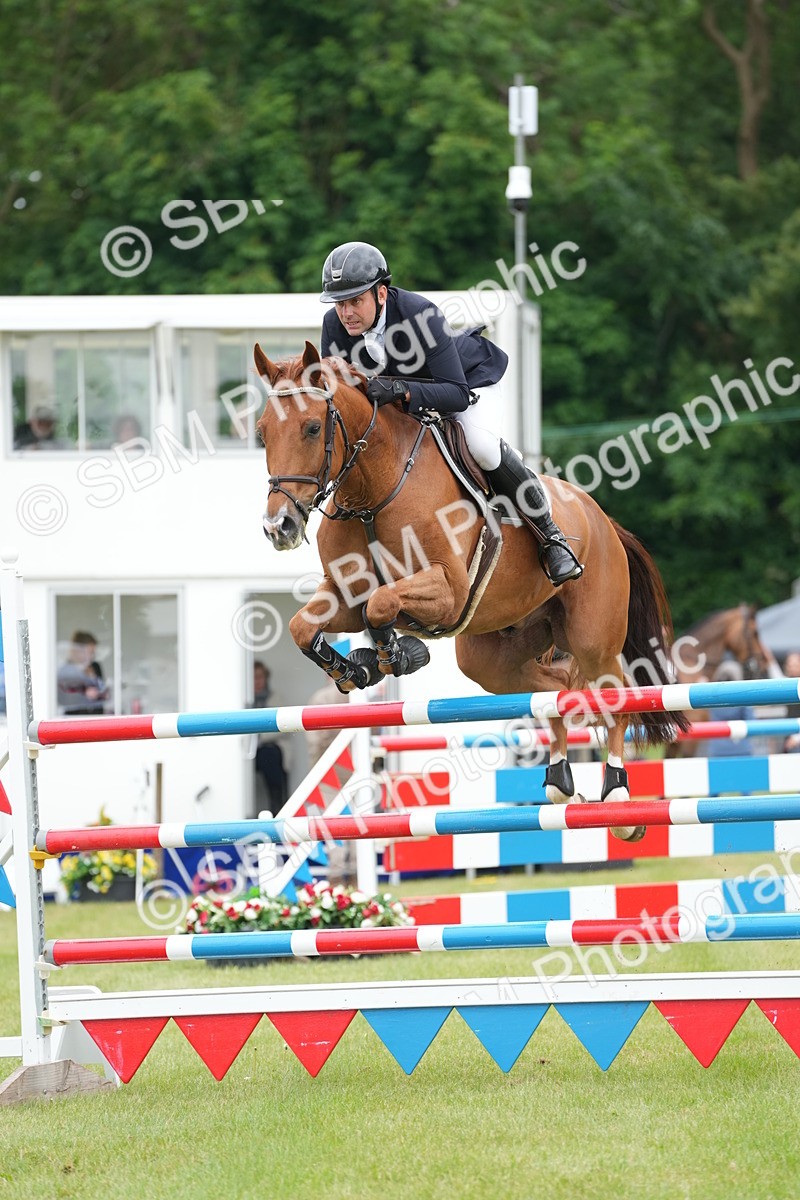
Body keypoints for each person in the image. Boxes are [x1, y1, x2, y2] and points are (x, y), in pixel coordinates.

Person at [319, 241, 583, 587]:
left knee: (482, 447)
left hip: (467, 384)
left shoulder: (419, 315)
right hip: (405, 404)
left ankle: (551, 537)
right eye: (340, 303)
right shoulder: (334, 326)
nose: (346, 313)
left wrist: (401, 389)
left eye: (356, 301)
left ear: (381, 294)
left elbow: (456, 393)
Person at [251, 661, 290, 809]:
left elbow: (281, 728)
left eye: (260, 677)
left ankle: (278, 808)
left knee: (270, 757)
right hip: (249, 751)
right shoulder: (244, 701)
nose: (257, 681)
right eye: (253, 677)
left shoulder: (276, 698)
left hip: (271, 749)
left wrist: (257, 737)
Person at [57, 632, 109, 716]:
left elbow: (103, 690)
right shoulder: (66, 670)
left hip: (96, 716)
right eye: (90, 652)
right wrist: (84, 693)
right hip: (75, 718)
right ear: (78, 651)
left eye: (93, 653)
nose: (92, 656)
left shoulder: (95, 666)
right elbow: (63, 698)